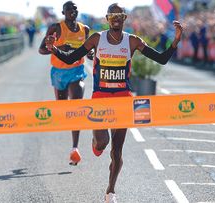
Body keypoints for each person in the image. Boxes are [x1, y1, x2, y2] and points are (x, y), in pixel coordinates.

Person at [45, 3, 183, 203]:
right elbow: (71, 58)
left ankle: (110, 191)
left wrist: (175, 41)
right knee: (103, 142)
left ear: (124, 18)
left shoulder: (133, 41)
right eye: (112, 15)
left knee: (117, 151)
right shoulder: (96, 38)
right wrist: (54, 49)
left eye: (119, 15)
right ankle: (95, 143)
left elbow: (160, 59)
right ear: (107, 18)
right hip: (100, 100)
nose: (116, 18)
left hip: (123, 100)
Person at [39, 1, 93, 166]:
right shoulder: (56, 28)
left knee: (76, 107)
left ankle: (75, 148)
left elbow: (89, 50)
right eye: (69, 9)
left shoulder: (85, 29)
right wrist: (56, 46)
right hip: (59, 73)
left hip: (77, 71)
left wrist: (90, 53)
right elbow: (41, 50)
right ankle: (72, 143)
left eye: (75, 8)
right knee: (63, 110)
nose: (72, 11)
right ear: (63, 13)